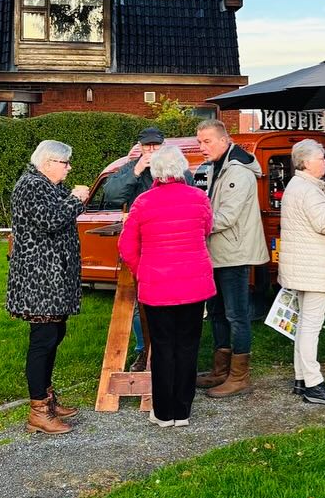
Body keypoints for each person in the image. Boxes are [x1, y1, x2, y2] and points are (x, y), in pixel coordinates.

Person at [118, 145, 214, 428]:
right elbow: (207, 229)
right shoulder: (199, 197)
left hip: (157, 285)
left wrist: (142, 270)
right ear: (181, 169)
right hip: (194, 284)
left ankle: (163, 412)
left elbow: (127, 246)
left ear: (155, 171)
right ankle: (182, 411)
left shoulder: (143, 202)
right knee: (188, 346)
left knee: (161, 348)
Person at [6, 140, 90, 434]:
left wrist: (72, 202)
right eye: (65, 163)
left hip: (52, 278)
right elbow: (51, 220)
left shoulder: (46, 185)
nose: (69, 169)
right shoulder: (31, 185)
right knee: (43, 339)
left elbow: (59, 217)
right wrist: (76, 199)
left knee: (55, 333)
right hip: (39, 280)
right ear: (48, 163)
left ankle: (47, 397)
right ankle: (38, 411)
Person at [101, 126, 191, 373]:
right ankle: (143, 350)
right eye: (147, 146)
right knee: (139, 304)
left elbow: (189, 197)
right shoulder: (131, 168)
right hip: (141, 247)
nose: (151, 150)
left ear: (163, 146)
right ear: (140, 147)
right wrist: (138, 169)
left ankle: (171, 351)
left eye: (155, 146)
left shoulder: (178, 168)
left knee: (173, 300)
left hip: (171, 246)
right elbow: (111, 195)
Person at [192, 118, 268, 397]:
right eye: (199, 141)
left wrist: (189, 223)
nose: (202, 147)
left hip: (234, 254)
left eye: (207, 141)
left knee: (236, 315)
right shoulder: (206, 168)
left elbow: (225, 217)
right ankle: (220, 370)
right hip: (212, 253)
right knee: (215, 312)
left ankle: (239, 375)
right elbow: (196, 197)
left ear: (224, 141)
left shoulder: (239, 172)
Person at [278, 139, 325, 405]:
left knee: (304, 324)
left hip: (304, 266)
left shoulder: (298, 186)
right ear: (306, 163)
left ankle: (301, 378)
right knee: (311, 326)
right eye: (321, 158)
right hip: (314, 267)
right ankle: (313, 383)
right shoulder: (307, 190)